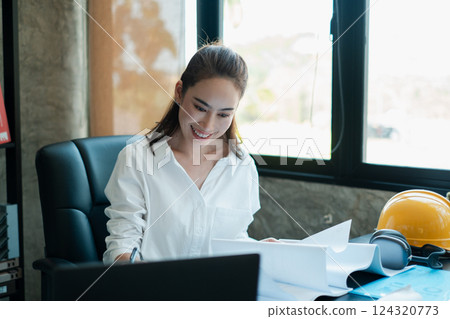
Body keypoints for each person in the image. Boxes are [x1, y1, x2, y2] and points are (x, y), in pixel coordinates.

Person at [103, 43, 261, 264]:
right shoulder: (136, 159)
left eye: (224, 115)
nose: (208, 125)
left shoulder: (242, 167)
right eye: (200, 108)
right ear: (179, 92)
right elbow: (122, 249)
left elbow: (234, 240)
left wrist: (265, 253)